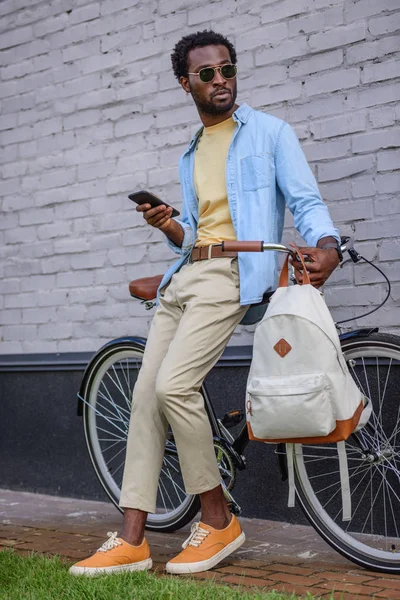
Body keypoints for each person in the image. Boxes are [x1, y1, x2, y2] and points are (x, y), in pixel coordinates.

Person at [70, 30, 342, 577]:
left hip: (232, 273)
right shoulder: (191, 152)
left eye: (227, 69)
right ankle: (132, 539)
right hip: (187, 274)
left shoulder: (270, 133)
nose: (221, 80)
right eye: (207, 74)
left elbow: (307, 201)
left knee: (174, 385)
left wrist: (328, 246)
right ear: (185, 83)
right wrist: (169, 222)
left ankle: (218, 522)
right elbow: (193, 233)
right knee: (147, 395)